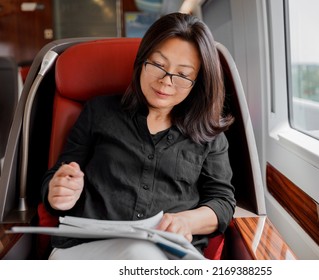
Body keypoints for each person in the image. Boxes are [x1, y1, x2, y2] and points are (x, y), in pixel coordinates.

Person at [41, 12, 236, 260]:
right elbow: (58, 176)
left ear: (198, 82)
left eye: (183, 75)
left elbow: (222, 202)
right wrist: (58, 191)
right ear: (142, 61)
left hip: (168, 254)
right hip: (86, 249)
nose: (166, 82)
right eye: (158, 65)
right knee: (139, 254)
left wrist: (186, 221)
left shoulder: (209, 134)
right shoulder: (98, 111)